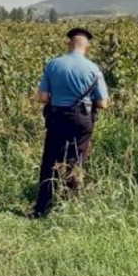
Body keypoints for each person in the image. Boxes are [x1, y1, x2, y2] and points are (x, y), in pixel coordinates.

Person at [32, 27, 109, 217]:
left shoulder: (53, 64)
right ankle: (70, 207)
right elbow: (103, 103)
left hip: (57, 117)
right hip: (82, 119)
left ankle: (42, 209)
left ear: (69, 43)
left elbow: (42, 97)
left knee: (50, 160)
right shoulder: (94, 69)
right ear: (87, 47)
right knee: (76, 161)